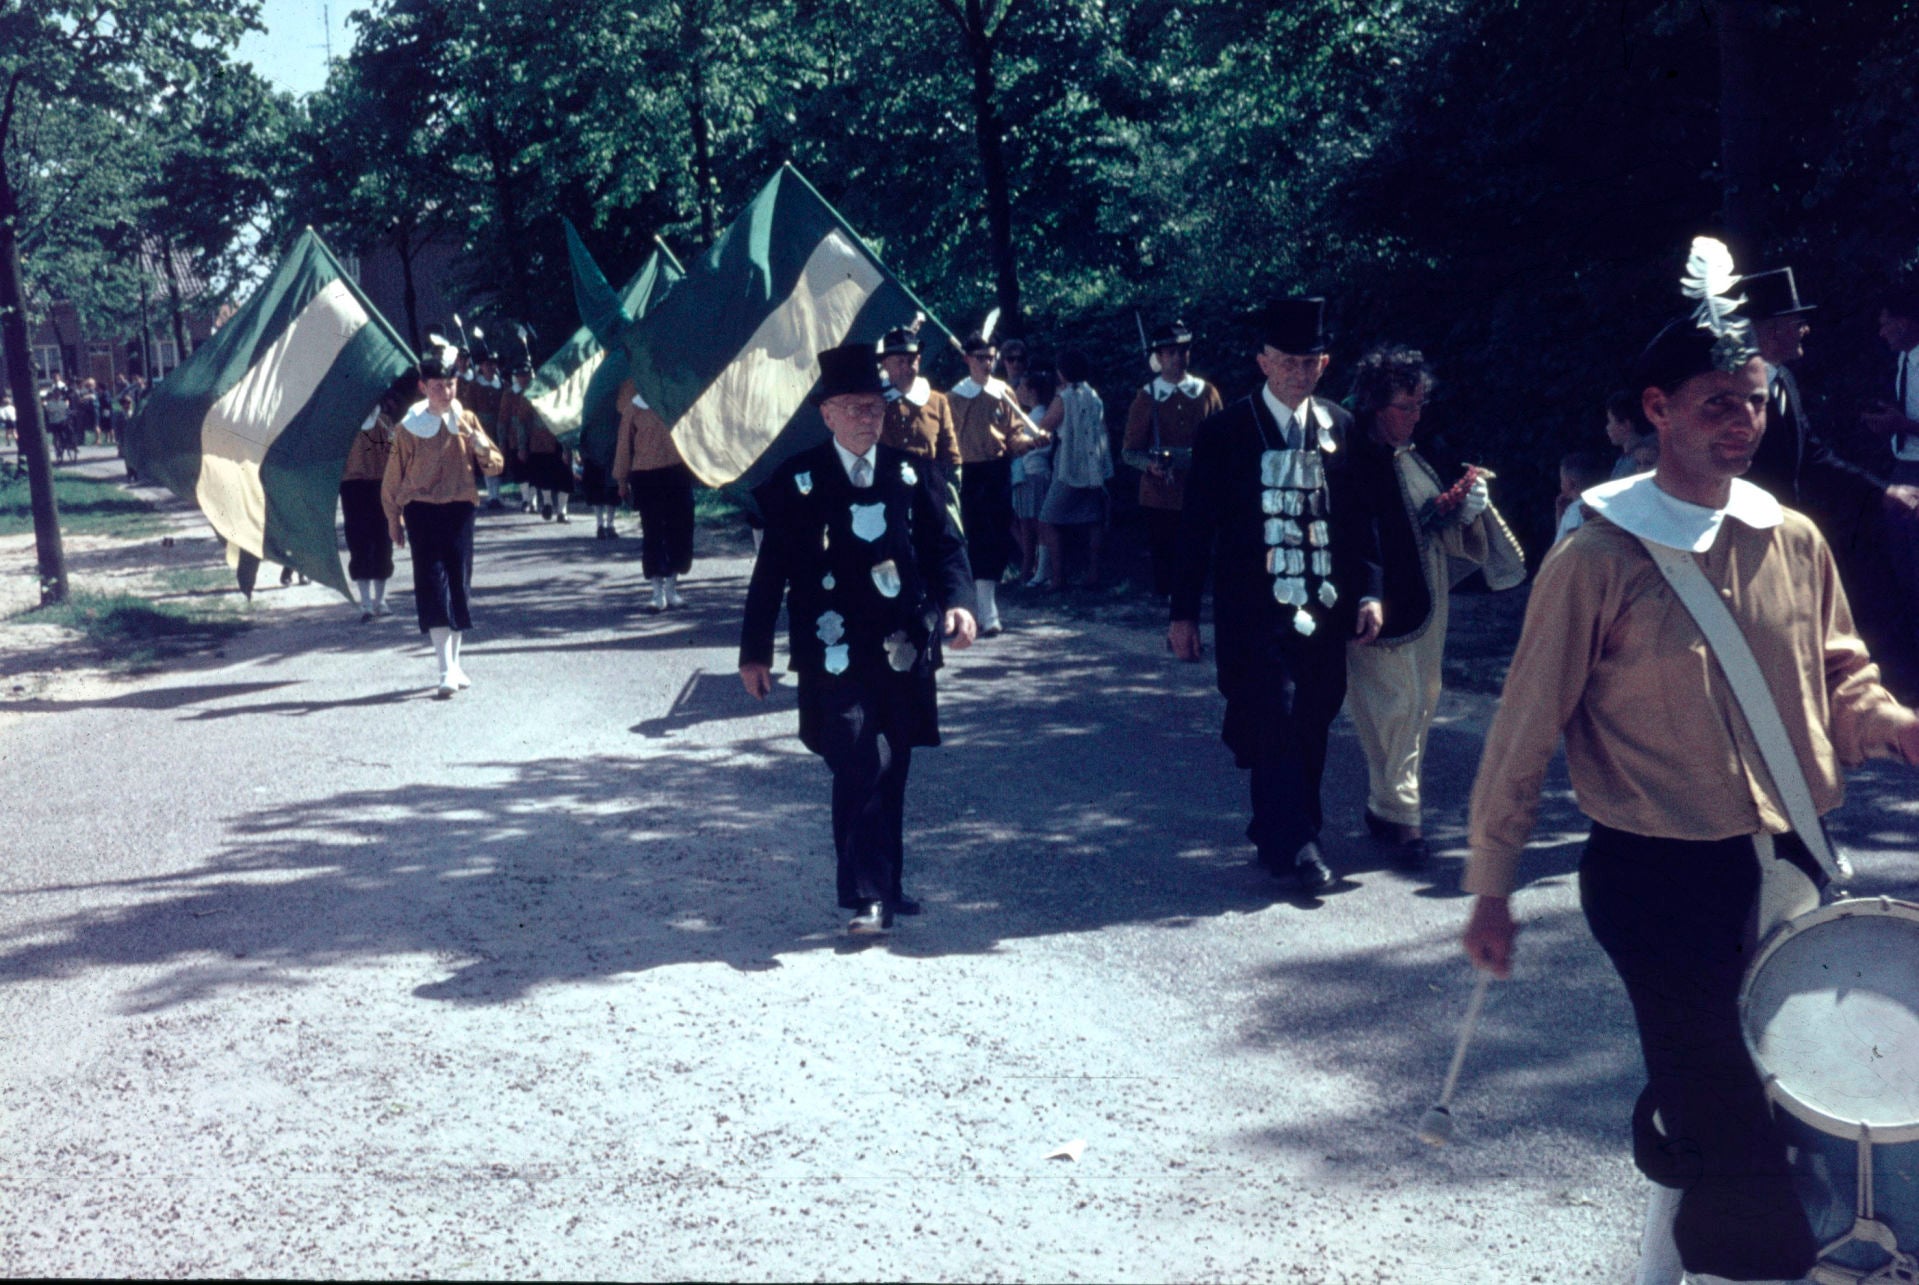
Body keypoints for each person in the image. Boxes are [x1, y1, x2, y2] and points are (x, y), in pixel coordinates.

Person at [1461, 264, 1919, 1283]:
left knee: (1781, 1092)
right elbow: (1523, 729)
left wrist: (1893, 723)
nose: (1741, 422)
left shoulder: (1789, 538)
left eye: (1753, 402)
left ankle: (1670, 1241)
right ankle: (1756, 1256)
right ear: (1657, 410)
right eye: (1716, 404)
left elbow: (1840, 673)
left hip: (1790, 859)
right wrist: (1490, 885)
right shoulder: (1596, 557)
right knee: (1728, 1116)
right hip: (1655, 876)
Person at [739, 343, 977, 933]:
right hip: (833, 650)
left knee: (893, 763)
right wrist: (755, 652)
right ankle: (867, 896)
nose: (867, 417)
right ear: (827, 414)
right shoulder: (799, 481)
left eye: (874, 406)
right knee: (861, 756)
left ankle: (886, 886)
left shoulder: (910, 472)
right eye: (853, 407)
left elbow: (945, 548)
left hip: (901, 647)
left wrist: (960, 604)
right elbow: (771, 572)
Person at [1168, 297, 1381, 891]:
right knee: (1276, 712)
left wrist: (1370, 592)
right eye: (1287, 361)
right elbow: (1196, 529)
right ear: (1263, 361)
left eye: (1310, 362)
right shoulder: (1225, 432)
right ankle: (1302, 840)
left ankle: (1275, 829)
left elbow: (1360, 521)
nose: (1299, 373)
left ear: (1325, 364)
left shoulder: (1342, 427)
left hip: (1324, 605)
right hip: (1253, 613)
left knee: (1313, 715)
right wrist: (1183, 613)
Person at [1340, 346, 1524, 866]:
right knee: (1393, 708)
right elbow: (1357, 534)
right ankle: (1406, 821)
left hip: (1428, 599)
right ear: (1376, 404)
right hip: (1378, 607)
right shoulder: (1353, 460)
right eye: (1406, 406)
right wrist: (1366, 592)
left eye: (1421, 404)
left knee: (1421, 702)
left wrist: (1459, 510)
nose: (1416, 415)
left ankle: (1386, 806)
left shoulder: (1410, 456)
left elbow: (1425, 524)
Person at [381, 345, 505, 697]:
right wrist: (393, 519)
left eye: (450, 385)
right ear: (423, 387)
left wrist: (481, 446)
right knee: (433, 583)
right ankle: (444, 668)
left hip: (460, 509)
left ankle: (457, 663)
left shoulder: (466, 419)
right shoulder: (408, 428)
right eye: (437, 386)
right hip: (421, 511)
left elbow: (495, 466)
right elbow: (392, 479)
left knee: (459, 581)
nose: (445, 392)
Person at [1122, 320, 1225, 596]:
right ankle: (1166, 606)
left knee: (1197, 550)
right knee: (1165, 554)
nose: (1178, 358)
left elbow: (1222, 442)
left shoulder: (1206, 392)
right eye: (1170, 353)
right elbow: (1129, 451)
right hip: (1160, 492)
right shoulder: (1147, 397)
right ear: (1159, 357)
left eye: (1183, 351)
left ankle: (1191, 602)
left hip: (1198, 487)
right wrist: (1150, 465)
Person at [949, 328, 1032, 636]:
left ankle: (987, 601)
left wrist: (1031, 442)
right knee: (977, 534)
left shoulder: (1003, 391)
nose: (988, 363)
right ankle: (984, 609)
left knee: (998, 535)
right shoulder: (956, 397)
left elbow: (1014, 437)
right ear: (968, 359)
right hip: (969, 473)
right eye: (981, 358)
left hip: (998, 470)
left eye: (991, 358)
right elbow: (947, 439)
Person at [1859, 284, 1919, 696]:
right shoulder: (1904, 360)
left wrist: (1904, 426)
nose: (1882, 332)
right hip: (1904, 469)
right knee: (1906, 574)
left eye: (1887, 323)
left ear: (1909, 321)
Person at [613, 377, 696, 611]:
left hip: (677, 472)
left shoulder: (675, 402)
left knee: (681, 529)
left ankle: (672, 589)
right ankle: (657, 594)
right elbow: (624, 447)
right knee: (653, 532)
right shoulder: (634, 409)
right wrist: (621, 480)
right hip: (646, 477)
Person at [1037, 350, 1111, 588]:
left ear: (1062, 372)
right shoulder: (1094, 395)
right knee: (1093, 519)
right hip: (1095, 465)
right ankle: (1093, 575)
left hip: (1069, 464)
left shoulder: (1064, 398)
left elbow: (1045, 425)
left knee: (1047, 519)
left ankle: (1058, 578)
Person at [341, 374, 409, 621]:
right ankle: (365, 602)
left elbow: (397, 456)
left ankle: (380, 600)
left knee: (383, 539)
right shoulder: (345, 425)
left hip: (381, 486)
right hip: (352, 488)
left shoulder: (385, 422)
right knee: (359, 541)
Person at [877, 327, 962, 479]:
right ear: (885, 364)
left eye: (911, 361)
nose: (906, 367)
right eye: (899, 361)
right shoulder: (873, 402)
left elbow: (951, 456)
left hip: (927, 486)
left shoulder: (937, 401)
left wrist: (951, 484)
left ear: (919, 360)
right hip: (884, 485)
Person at [1011, 366, 1059, 586]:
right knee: (1028, 522)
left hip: (1035, 474)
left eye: (1021, 387)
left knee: (1038, 524)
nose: (1017, 391)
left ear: (1032, 391)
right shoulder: (1033, 415)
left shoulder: (1037, 417)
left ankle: (1041, 571)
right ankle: (1034, 568)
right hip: (1028, 474)